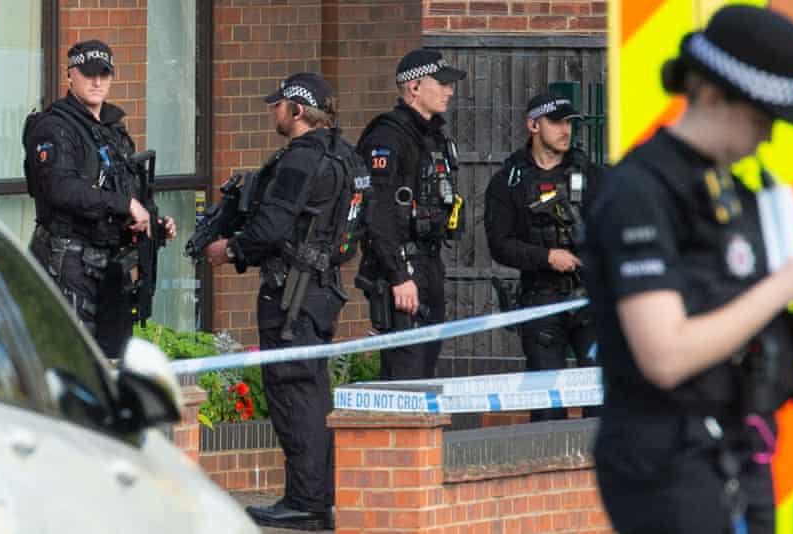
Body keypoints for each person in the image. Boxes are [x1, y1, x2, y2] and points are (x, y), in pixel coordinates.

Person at [586, 6, 793, 533]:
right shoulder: (641, 192)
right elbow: (664, 356)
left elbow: (770, 354)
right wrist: (782, 287)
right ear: (711, 93)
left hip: (737, 450)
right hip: (666, 463)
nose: (769, 136)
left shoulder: (737, 194)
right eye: (761, 118)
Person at [205, 72, 369, 531]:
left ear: (297, 110)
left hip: (291, 294)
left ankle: (306, 501)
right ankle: (319, 495)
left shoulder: (300, 160)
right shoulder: (345, 155)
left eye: (278, 105)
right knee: (314, 392)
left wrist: (230, 250)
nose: (273, 112)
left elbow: (271, 228)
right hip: (322, 288)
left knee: (293, 392)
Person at [25, 39, 175, 359]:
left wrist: (151, 221)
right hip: (67, 261)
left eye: (104, 74)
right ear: (70, 76)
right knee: (74, 362)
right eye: (88, 73)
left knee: (113, 359)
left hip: (108, 265)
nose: (96, 82)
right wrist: (123, 206)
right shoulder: (53, 127)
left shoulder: (112, 129)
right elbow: (59, 187)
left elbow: (127, 189)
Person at [484, 92, 601, 421]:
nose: (566, 130)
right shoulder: (509, 182)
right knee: (548, 404)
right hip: (542, 299)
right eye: (557, 122)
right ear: (534, 125)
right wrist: (546, 256)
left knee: (600, 398)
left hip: (590, 300)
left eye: (569, 123)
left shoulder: (590, 175)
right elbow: (500, 244)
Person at [356, 48, 466, 380]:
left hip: (429, 264)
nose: (450, 91)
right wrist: (398, 275)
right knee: (406, 372)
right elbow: (377, 212)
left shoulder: (433, 138)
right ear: (415, 87)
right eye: (442, 83)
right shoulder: (388, 137)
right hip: (402, 269)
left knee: (426, 368)